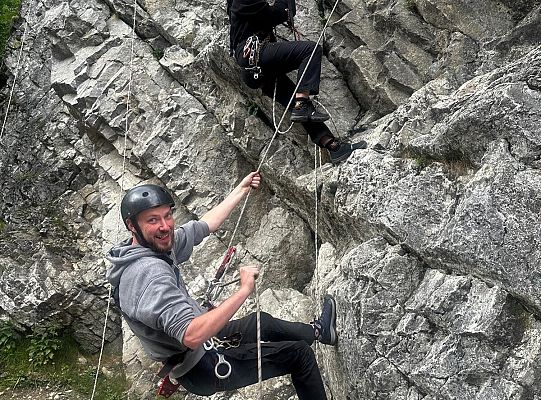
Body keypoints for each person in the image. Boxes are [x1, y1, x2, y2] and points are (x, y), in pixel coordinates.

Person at [106, 172, 338, 399]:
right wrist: (244, 290)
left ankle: (320, 332)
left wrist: (242, 189)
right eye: (153, 220)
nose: (165, 226)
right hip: (202, 366)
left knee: (260, 322)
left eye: (167, 216)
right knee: (299, 355)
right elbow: (192, 334)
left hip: (198, 350)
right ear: (131, 225)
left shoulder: (151, 246)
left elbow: (203, 226)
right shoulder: (148, 274)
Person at [228, 0, 367, 164]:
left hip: (254, 67)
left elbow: (281, 12)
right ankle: (303, 103)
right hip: (256, 55)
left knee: (293, 100)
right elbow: (279, 13)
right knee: (311, 51)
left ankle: (334, 147)